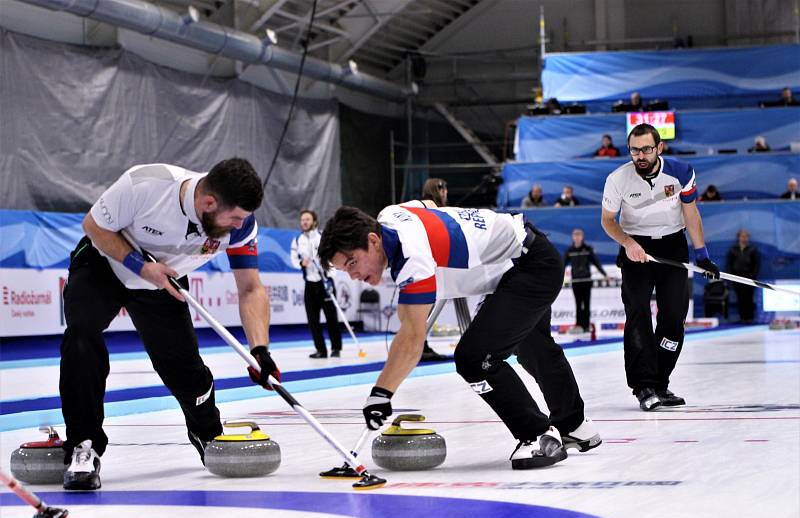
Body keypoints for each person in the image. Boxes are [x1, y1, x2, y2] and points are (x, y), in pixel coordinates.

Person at [318, 205, 601, 470]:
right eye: (345, 270)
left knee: (474, 359)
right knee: (533, 347)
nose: (353, 275)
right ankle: (574, 425)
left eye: (353, 262)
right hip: (520, 256)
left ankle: (539, 437)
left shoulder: (412, 256)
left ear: (373, 240)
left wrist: (381, 394)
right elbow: (429, 203)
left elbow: (412, 338)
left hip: (529, 267)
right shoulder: (390, 215)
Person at [59, 158, 280, 490]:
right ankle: (83, 445)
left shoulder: (242, 225)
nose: (239, 226)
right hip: (104, 263)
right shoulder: (146, 184)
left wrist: (259, 351)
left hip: (163, 280)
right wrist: (140, 266)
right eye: (234, 218)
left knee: (185, 369)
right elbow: (93, 226)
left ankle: (207, 433)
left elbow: (251, 287)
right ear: (209, 203)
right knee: (81, 336)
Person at [600, 123, 720, 412]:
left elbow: (691, 213)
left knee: (674, 317)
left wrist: (701, 254)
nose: (640, 155)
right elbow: (608, 220)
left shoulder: (681, 172)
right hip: (636, 247)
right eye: (634, 150)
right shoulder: (618, 179)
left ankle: (660, 383)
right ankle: (643, 386)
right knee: (638, 312)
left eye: (646, 149)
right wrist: (628, 243)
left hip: (672, 246)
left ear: (659, 148)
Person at [291, 210, 342, 359]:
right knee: (313, 320)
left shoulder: (322, 237)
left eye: (307, 219)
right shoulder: (297, 239)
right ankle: (321, 350)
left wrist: (330, 278)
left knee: (331, 317)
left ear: (314, 221)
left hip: (325, 282)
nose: (304, 222)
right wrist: (301, 263)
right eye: (302, 220)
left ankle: (336, 348)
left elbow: (333, 259)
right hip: (310, 284)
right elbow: (293, 259)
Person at [416, 179, 454, 362]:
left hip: (430, 264)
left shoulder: (435, 209)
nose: (446, 192)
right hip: (424, 265)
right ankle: (417, 348)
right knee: (421, 310)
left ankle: (419, 347)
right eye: (443, 189)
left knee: (423, 310)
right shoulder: (429, 208)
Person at [564, 229, 608, 333]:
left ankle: (586, 326)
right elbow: (563, 264)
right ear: (572, 237)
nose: (577, 237)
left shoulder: (588, 249)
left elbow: (596, 262)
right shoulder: (570, 250)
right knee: (578, 304)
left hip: (586, 281)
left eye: (579, 235)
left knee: (587, 303)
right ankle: (579, 326)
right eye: (575, 235)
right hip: (575, 282)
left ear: (582, 236)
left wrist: (605, 274)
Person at [726, 230, 760, 322]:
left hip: (749, 277)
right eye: (742, 236)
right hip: (737, 277)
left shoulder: (752, 249)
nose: (744, 238)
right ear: (738, 237)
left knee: (749, 297)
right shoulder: (733, 250)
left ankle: (750, 318)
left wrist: (753, 276)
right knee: (740, 298)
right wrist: (731, 277)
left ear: (748, 238)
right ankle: (742, 317)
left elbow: (756, 264)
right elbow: (729, 264)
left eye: (746, 236)